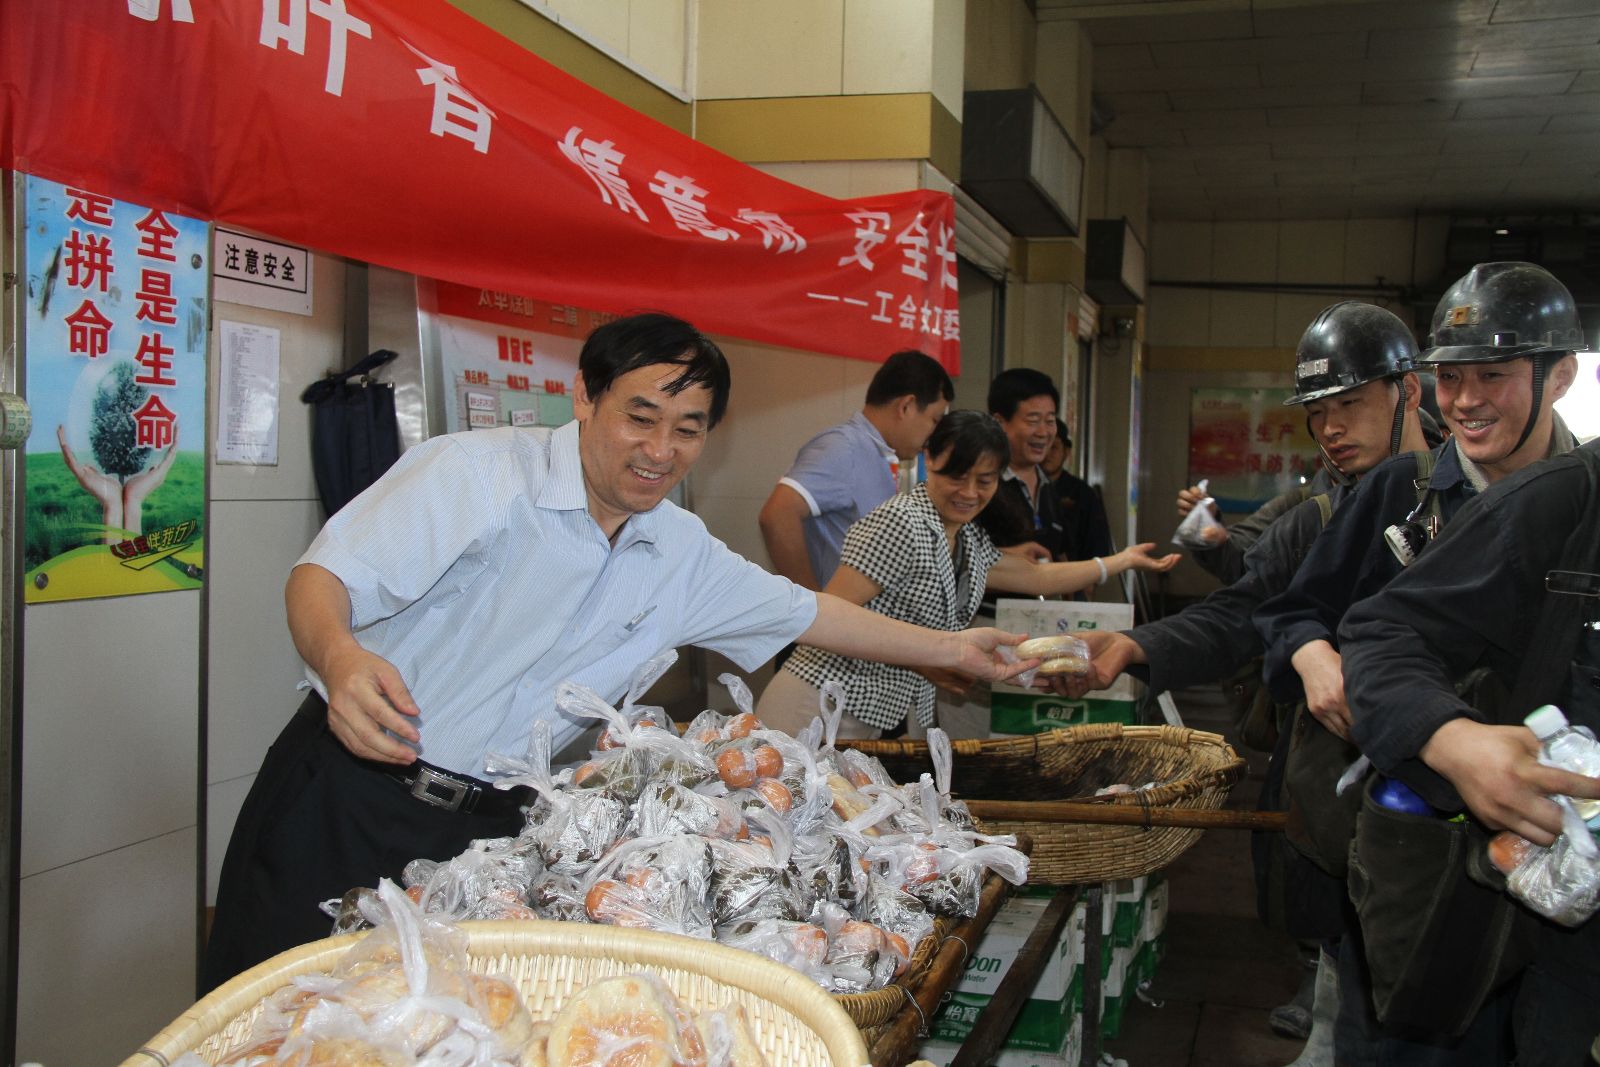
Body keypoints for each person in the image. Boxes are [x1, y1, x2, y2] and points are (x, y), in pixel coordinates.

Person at [203, 314, 1037, 991]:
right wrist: (341, 658)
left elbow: (813, 612)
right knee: (268, 1018)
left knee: (424, 1033)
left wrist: (956, 647)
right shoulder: (477, 475)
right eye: (640, 417)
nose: (660, 450)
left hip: (489, 837)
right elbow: (323, 576)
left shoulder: (680, 550)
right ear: (585, 395)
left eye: (687, 429)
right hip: (348, 794)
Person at [1055, 301, 1434, 1067]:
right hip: (1346, 797)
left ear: (1410, 391)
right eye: (1317, 412)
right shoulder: (1318, 514)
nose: (1330, 428)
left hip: (1457, 811)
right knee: (1353, 989)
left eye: (1350, 404)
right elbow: (1241, 612)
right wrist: (1135, 643)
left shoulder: (1476, 497)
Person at [1251, 263, 1582, 1062]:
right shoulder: (1403, 490)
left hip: (1559, 866)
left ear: (1561, 375)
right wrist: (1317, 657)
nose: (1465, 400)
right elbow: (1296, 612)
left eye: (1493, 375)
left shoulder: (1584, 503)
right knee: (1396, 1037)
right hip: (1414, 858)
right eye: (1451, 378)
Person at [1339, 438, 1600, 1065]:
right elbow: (1382, 630)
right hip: (1567, 932)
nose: (1468, 402)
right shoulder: (1558, 502)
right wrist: (1453, 740)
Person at [756, 411, 1179, 739]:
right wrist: (927, 659)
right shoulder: (900, 522)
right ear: (929, 460)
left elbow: (1035, 577)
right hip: (817, 700)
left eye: (985, 480)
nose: (970, 493)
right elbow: (827, 618)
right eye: (956, 476)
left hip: (873, 713)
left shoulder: (966, 535)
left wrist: (1119, 562)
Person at [758, 350, 952, 592]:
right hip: (836, 609)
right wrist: (815, 602)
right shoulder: (844, 447)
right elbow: (777, 515)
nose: (934, 434)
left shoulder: (879, 453)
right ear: (907, 406)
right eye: (934, 420)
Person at [976, 368, 1069, 563]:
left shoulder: (1049, 487)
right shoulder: (978, 483)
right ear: (999, 422)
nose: (1043, 432)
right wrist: (1006, 558)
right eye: (1033, 421)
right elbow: (955, 557)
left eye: (1050, 421)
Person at [1048, 419, 1114, 564]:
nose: (1048, 454)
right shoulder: (1024, 487)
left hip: (1074, 572)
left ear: (1066, 451)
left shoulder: (1083, 493)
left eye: (1054, 447)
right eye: (1043, 446)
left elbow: (1098, 543)